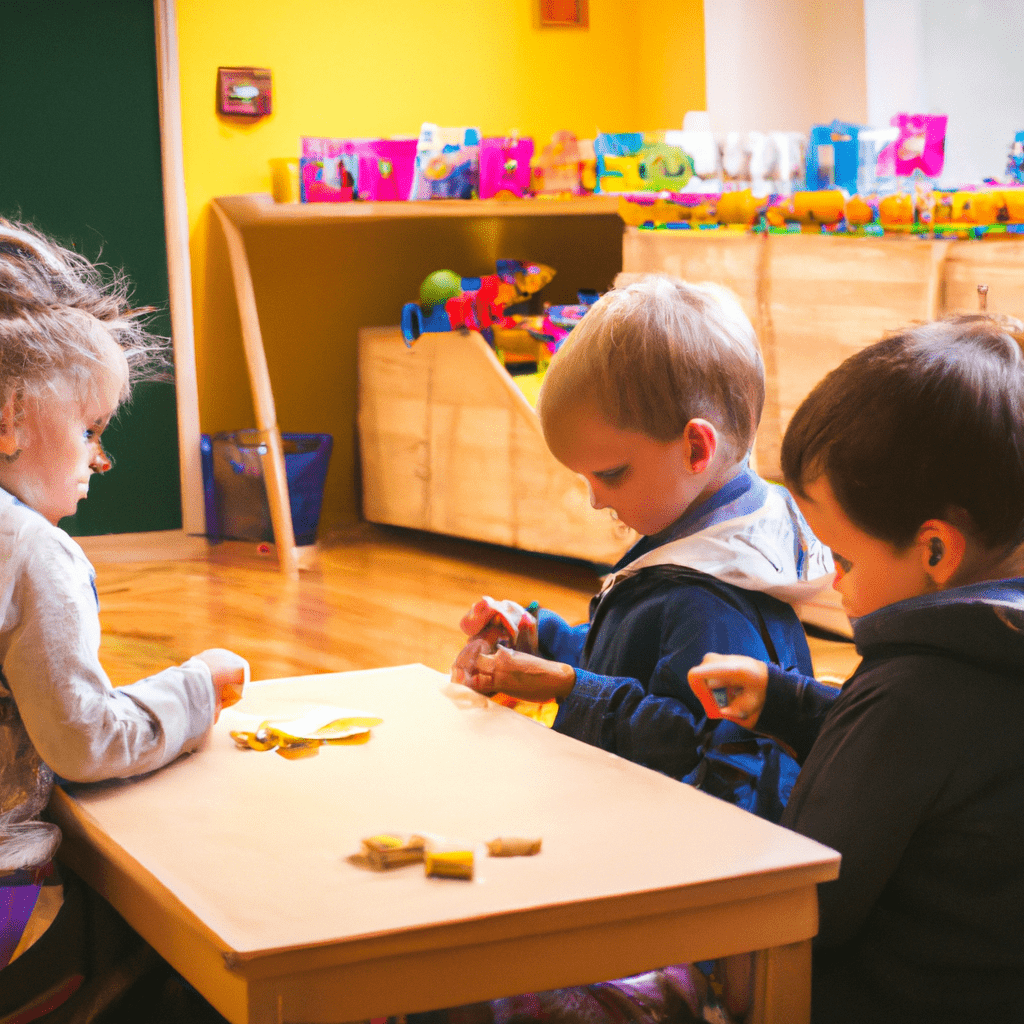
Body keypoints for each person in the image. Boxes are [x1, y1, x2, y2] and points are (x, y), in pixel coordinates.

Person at [689, 315, 1024, 1023]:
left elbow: (808, 901)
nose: (832, 583)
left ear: (935, 551)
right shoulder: (989, 654)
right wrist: (788, 703)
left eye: (842, 559)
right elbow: (930, 778)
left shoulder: (910, 696)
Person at [453, 274, 833, 822]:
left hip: (679, 847)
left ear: (695, 447)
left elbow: (688, 742)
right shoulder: (694, 529)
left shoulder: (710, 604)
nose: (594, 499)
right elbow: (636, 660)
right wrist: (541, 639)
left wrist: (568, 686)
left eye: (610, 475)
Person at [0, 219, 249, 1020]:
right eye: (91, 430)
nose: (96, 460)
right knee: (159, 945)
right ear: (9, 418)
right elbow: (84, 741)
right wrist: (197, 689)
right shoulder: (33, 553)